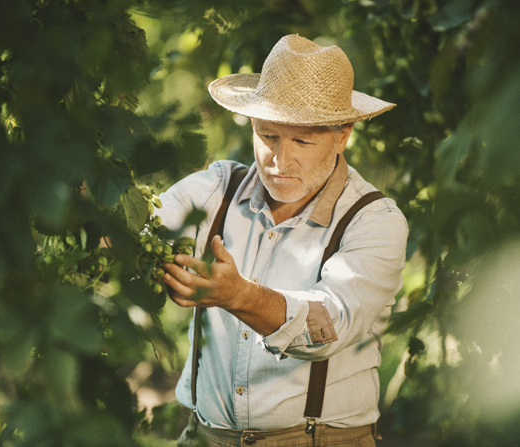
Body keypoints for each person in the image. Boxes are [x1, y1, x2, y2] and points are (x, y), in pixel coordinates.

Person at [156, 34, 408, 447]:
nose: (279, 160)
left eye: (303, 141)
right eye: (268, 136)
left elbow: (331, 325)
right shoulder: (219, 187)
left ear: (342, 136)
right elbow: (143, 228)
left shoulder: (374, 221)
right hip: (203, 437)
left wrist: (239, 296)